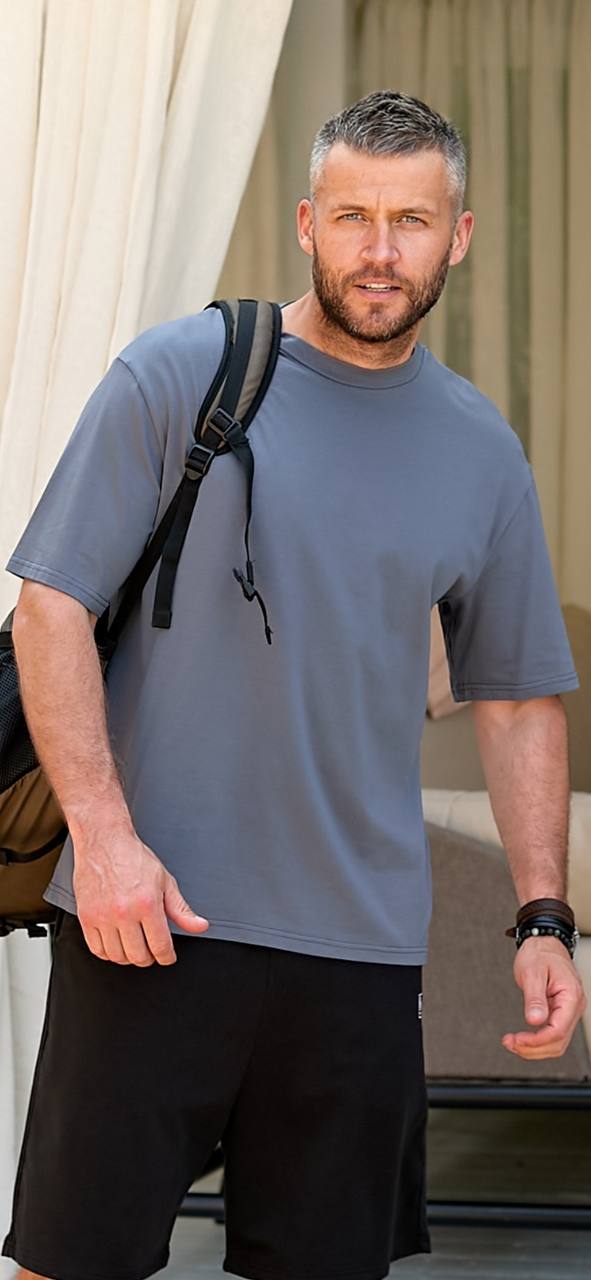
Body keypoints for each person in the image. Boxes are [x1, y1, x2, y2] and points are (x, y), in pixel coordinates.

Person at [2, 89, 586, 1280]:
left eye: (412, 221)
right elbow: (50, 606)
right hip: (148, 921)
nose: (381, 250)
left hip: (359, 957)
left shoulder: (481, 450)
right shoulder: (179, 374)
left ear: (459, 237)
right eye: (355, 216)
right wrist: (105, 841)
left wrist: (543, 916)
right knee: (70, 1261)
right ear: (310, 223)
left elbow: (518, 695)